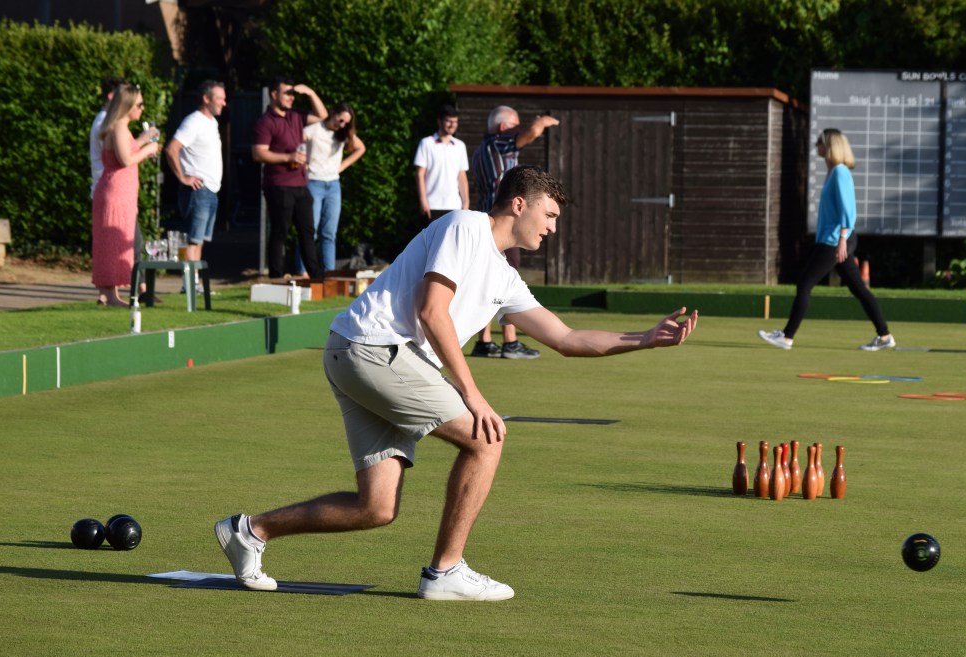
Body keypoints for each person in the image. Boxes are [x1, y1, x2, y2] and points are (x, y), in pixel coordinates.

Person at [214, 165, 698, 601]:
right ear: (519, 204)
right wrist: (472, 393)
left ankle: (250, 531)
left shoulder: (505, 277)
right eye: (549, 215)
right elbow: (432, 312)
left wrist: (644, 339)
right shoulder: (465, 226)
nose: (553, 228)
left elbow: (567, 339)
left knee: (375, 508)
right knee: (487, 438)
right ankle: (445, 571)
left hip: (362, 353)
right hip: (376, 350)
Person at [758, 128, 895, 351]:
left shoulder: (840, 172)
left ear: (830, 146)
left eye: (819, 142)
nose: (816, 146)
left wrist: (842, 240)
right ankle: (885, 336)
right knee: (859, 289)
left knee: (804, 283)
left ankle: (787, 337)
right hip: (833, 239)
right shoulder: (833, 172)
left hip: (834, 240)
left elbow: (848, 211)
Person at [470, 105, 559, 360]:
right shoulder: (498, 143)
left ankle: (485, 341)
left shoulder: (480, 149)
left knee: (486, 279)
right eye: (514, 126)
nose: (518, 131)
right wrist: (545, 121)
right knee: (505, 278)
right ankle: (510, 341)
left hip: (486, 220)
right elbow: (532, 133)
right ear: (502, 128)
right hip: (505, 222)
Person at [91, 84, 160, 306]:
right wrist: (148, 150)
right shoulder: (119, 127)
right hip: (116, 192)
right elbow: (126, 159)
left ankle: (108, 294)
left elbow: (126, 151)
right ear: (128, 105)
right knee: (114, 243)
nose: (142, 108)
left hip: (120, 191)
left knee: (112, 242)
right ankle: (110, 295)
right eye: (139, 104)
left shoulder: (120, 127)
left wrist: (142, 141)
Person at [252, 76, 327, 280]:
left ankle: (316, 277)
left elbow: (322, 116)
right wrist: (288, 157)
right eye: (287, 93)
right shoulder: (266, 122)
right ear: (274, 94)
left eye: (293, 94)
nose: (291, 97)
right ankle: (276, 277)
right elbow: (258, 153)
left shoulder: (296, 116)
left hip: (301, 184)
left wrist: (310, 93)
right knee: (280, 232)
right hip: (278, 185)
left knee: (307, 232)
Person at [165, 80, 227, 292]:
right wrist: (183, 177)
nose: (223, 103)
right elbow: (172, 148)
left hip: (210, 190)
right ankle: (189, 283)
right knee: (192, 239)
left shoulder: (212, 123)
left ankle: (194, 283)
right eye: (219, 98)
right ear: (206, 98)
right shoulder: (194, 121)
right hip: (197, 190)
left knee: (199, 240)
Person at [293, 102, 366, 274]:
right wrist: (301, 163)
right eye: (340, 120)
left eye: (346, 123)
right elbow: (294, 143)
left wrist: (342, 166)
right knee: (309, 231)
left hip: (333, 185)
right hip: (313, 183)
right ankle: (304, 272)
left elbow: (360, 148)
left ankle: (330, 274)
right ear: (333, 113)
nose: (342, 125)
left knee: (329, 233)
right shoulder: (314, 129)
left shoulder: (343, 134)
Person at [414, 103, 469, 226]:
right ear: (439, 121)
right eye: (449, 121)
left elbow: (461, 176)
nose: (452, 125)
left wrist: (465, 203)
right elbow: (420, 174)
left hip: (455, 205)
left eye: (455, 122)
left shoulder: (460, 146)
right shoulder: (426, 143)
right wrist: (423, 200)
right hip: (432, 205)